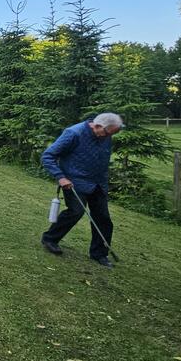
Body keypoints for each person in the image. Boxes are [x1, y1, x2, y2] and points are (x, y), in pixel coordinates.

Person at [40, 112, 124, 267]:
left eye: (110, 135)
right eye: (106, 133)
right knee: (75, 211)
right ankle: (50, 239)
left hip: (98, 183)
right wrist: (61, 177)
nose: (107, 137)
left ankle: (99, 254)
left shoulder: (105, 135)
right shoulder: (74, 133)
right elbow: (48, 156)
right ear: (98, 126)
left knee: (103, 218)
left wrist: (104, 182)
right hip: (74, 182)